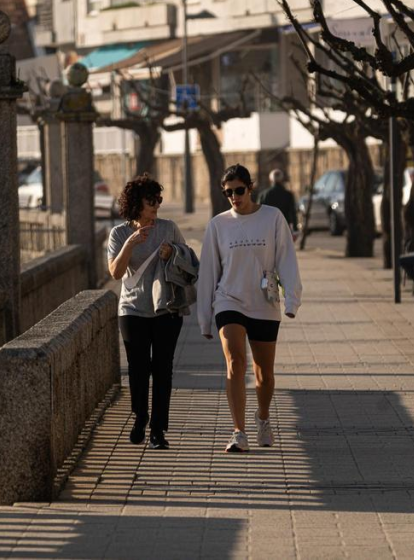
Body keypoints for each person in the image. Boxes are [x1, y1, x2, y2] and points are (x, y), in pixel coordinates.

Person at [198, 164, 303, 453]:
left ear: (250, 188)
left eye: (239, 190)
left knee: (264, 373)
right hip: (228, 299)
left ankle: (263, 418)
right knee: (235, 362)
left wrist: (292, 300)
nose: (234, 197)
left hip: (264, 303)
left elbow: (286, 259)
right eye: (228, 193)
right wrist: (205, 318)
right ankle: (238, 432)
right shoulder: (218, 225)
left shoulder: (273, 217)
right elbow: (208, 271)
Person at [108, 174, 190, 450]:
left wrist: (172, 253)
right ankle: (140, 416)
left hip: (166, 308)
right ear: (136, 203)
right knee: (138, 368)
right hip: (132, 310)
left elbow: (187, 260)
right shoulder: (119, 234)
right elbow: (115, 272)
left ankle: (157, 430)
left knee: (163, 369)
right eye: (150, 201)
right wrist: (131, 244)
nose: (156, 205)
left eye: (158, 200)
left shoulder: (168, 228)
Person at [258, 169, 299, 240]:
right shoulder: (288, 195)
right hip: (284, 227)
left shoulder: (263, 195)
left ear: (270, 179)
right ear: (282, 179)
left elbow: (258, 213)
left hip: (267, 228)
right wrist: (295, 230)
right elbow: (293, 213)